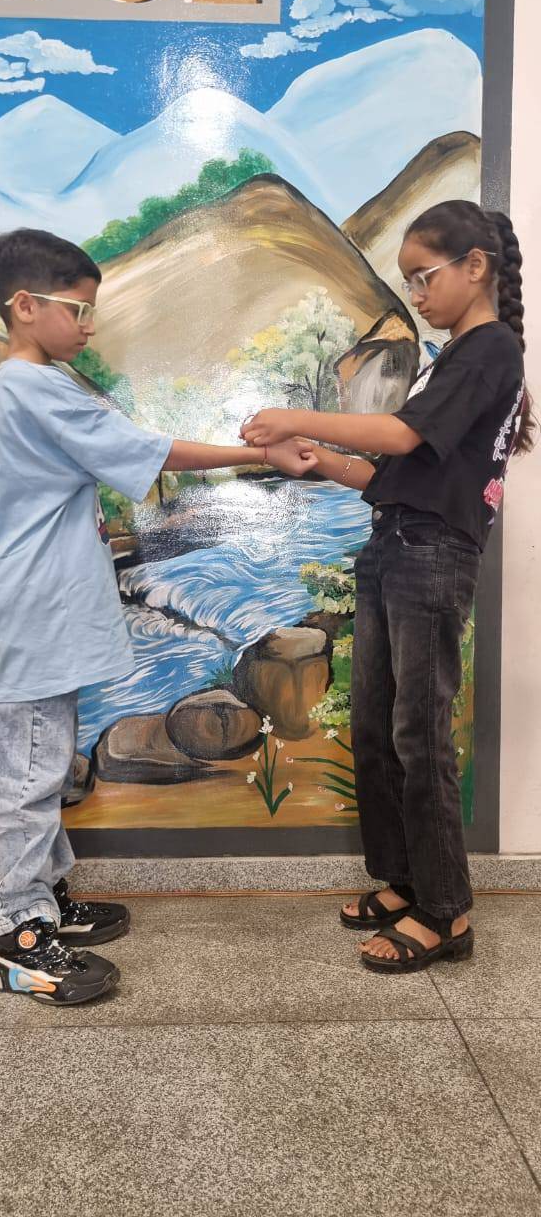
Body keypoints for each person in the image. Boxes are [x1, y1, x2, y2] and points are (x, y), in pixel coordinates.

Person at [0, 227, 318, 1006]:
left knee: (43, 759)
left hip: (38, 603)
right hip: (31, 607)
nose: (88, 326)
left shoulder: (31, 385)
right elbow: (148, 448)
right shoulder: (35, 386)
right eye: (76, 310)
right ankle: (16, 936)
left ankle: (44, 900)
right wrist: (261, 454)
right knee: (31, 771)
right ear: (24, 306)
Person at [242, 201, 535, 974]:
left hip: (430, 557)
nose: (415, 294)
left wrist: (295, 417)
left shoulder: (490, 347)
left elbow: (400, 435)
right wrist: (320, 460)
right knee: (375, 727)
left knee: (418, 733)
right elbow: (392, 475)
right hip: (395, 545)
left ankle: (445, 911)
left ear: (476, 267)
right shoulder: (451, 357)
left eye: (424, 276)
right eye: (408, 281)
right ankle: (405, 881)